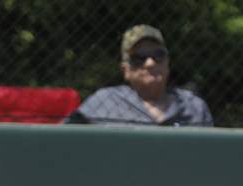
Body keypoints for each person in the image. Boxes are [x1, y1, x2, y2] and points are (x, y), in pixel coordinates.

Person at [67, 25, 213, 126]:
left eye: (158, 55)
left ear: (168, 64)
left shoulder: (193, 107)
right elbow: (63, 144)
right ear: (125, 70)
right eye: (139, 58)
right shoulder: (104, 101)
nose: (150, 63)